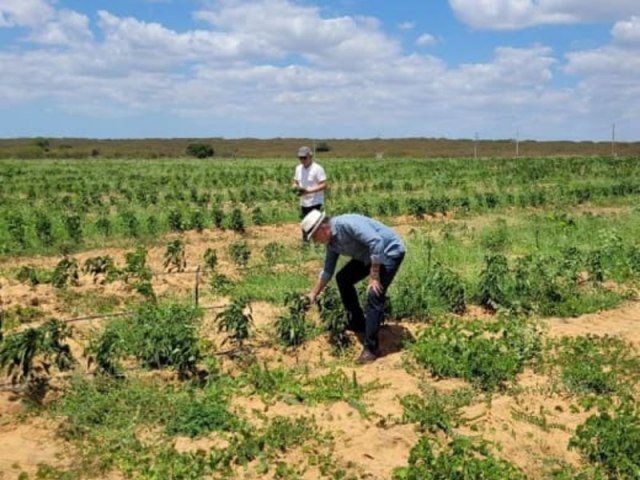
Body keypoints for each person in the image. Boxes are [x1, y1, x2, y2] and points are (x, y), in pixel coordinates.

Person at [301, 210, 406, 364]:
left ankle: (371, 349)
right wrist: (313, 294)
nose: (316, 242)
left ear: (323, 227)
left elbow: (376, 242)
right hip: (368, 256)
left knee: (374, 294)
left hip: (388, 251)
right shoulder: (332, 243)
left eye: (315, 237)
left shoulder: (347, 224)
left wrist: (375, 276)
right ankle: (358, 323)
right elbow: (328, 270)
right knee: (343, 279)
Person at [292, 146, 327, 242]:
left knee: (315, 224)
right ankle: (305, 244)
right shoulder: (298, 168)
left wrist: (309, 191)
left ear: (310, 156)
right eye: (300, 158)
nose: (302, 160)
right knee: (305, 223)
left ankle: (317, 244)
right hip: (303, 201)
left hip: (315, 201)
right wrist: (295, 187)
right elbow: (295, 181)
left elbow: (324, 184)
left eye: (304, 158)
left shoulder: (318, 168)